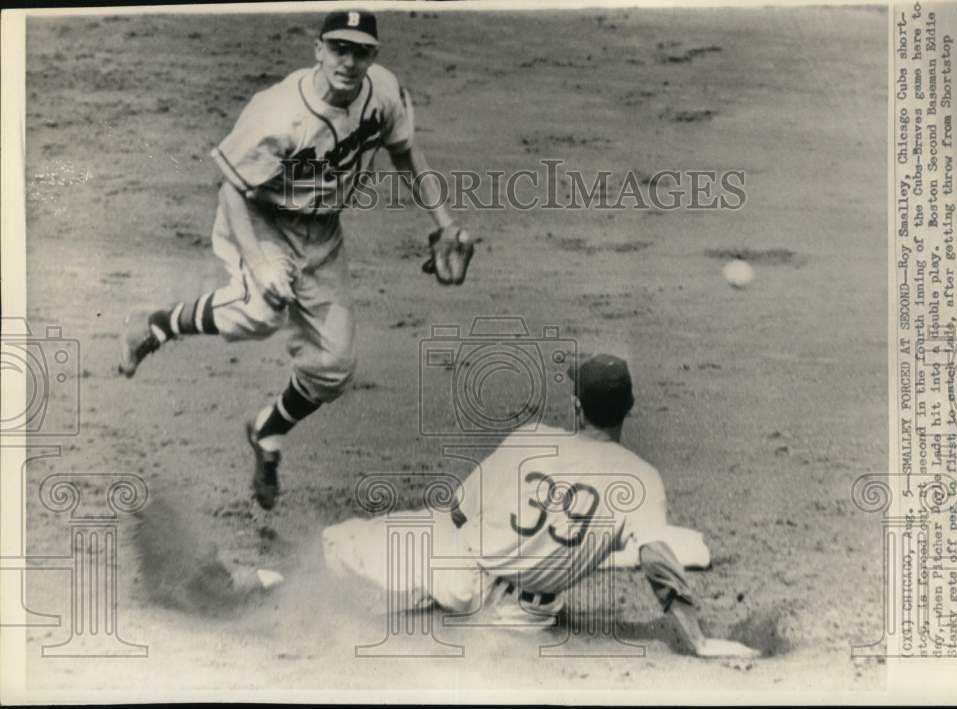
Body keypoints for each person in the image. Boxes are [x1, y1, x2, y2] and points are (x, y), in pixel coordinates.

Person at [118, 10, 475, 510]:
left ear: (374, 57)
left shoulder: (384, 92)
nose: (348, 62)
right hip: (262, 219)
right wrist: (260, 264)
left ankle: (267, 432)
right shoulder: (278, 112)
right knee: (263, 308)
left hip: (323, 233)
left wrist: (443, 222)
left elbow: (405, 151)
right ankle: (156, 325)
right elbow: (232, 191)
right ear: (318, 50)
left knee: (334, 366)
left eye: (361, 52)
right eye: (338, 49)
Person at [323, 354, 760, 658]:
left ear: (576, 407)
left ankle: (349, 608)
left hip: (460, 576)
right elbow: (659, 567)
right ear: (629, 408)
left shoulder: (532, 437)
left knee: (338, 542)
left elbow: (457, 512)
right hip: (527, 615)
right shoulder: (642, 480)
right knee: (641, 542)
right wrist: (699, 642)